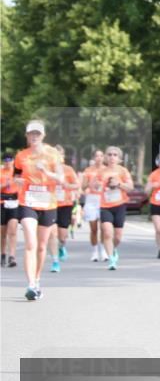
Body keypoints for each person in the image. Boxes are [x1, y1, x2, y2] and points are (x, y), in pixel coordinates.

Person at [13, 120, 65, 300]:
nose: (34, 137)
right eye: (31, 134)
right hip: (27, 201)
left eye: (37, 134)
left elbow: (61, 179)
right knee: (30, 243)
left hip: (48, 203)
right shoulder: (21, 156)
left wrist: (46, 172)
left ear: (43, 136)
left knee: (42, 246)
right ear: (26, 136)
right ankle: (31, 285)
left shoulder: (53, 155)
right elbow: (17, 175)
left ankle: (37, 278)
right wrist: (17, 181)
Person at [98, 145, 134, 271]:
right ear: (106, 157)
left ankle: (113, 250)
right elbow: (93, 187)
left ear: (119, 158)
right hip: (105, 206)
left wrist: (119, 184)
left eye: (115, 155)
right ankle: (111, 260)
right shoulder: (101, 172)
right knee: (107, 232)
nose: (112, 157)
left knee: (117, 237)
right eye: (109, 154)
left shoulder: (123, 171)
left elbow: (130, 187)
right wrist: (96, 186)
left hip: (120, 205)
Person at [48, 145, 79, 273]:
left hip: (65, 204)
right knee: (52, 233)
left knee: (62, 236)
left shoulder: (68, 169)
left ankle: (62, 247)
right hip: (50, 204)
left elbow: (77, 185)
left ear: (63, 156)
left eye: (59, 154)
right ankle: (55, 261)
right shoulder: (47, 169)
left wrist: (67, 185)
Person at [81, 149, 106, 261]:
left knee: (104, 227)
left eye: (101, 156)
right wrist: (89, 184)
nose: (99, 158)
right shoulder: (88, 170)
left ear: (103, 157)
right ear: (93, 157)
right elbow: (83, 186)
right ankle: (95, 251)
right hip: (91, 199)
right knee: (94, 228)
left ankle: (104, 251)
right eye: (97, 156)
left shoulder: (107, 170)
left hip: (103, 199)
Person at [1, 151, 19, 268]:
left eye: (10, 160)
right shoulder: (0, 171)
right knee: (2, 232)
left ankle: (12, 256)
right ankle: (2, 254)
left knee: (12, 230)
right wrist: (4, 185)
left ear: (13, 161)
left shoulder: (17, 173)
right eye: (6, 160)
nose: (8, 162)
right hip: (2, 202)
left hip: (14, 202)